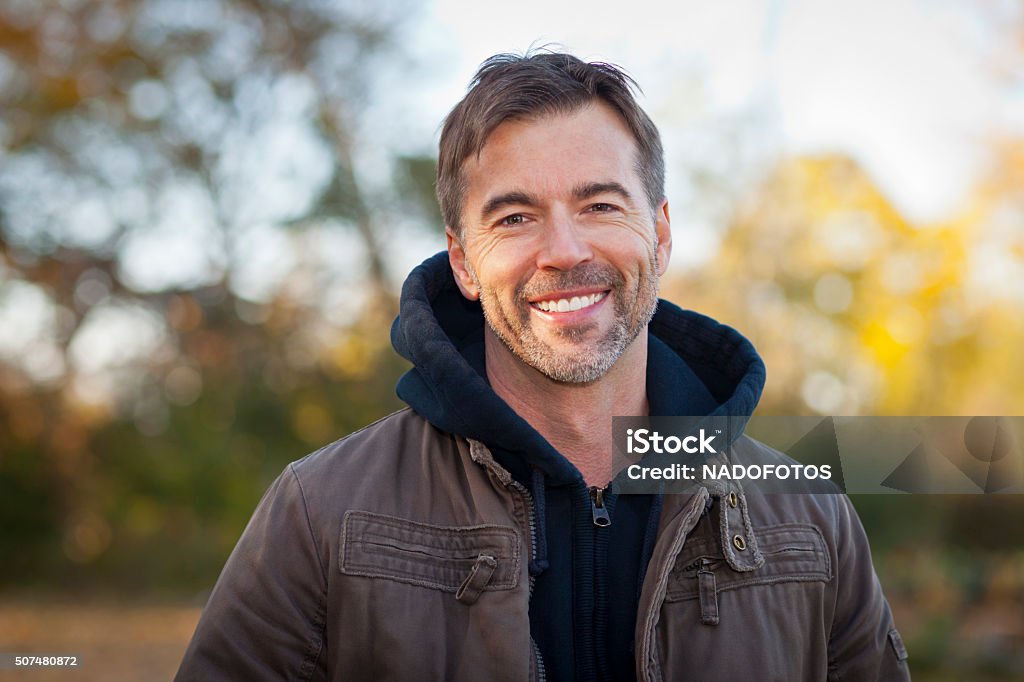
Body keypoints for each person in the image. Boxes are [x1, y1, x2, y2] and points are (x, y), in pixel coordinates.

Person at [176, 51, 910, 681]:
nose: (564, 251)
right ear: (463, 260)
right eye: (515, 217)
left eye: (598, 205)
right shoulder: (320, 513)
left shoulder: (813, 519)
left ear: (659, 234)